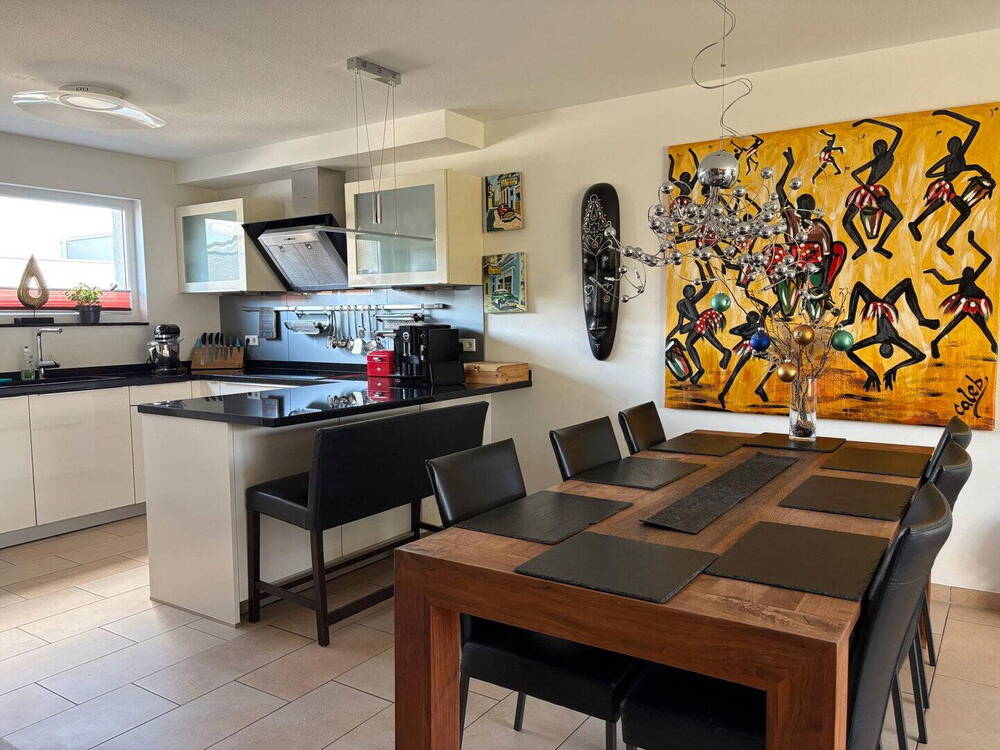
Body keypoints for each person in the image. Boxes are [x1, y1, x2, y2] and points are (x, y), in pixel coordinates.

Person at [908, 109, 993, 255]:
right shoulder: (950, 157)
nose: (956, 146)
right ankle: (926, 231)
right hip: (943, 185)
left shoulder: (960, 156)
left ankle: (926, 230)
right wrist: (947, 173)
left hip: (947, 186)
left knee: (954, 208)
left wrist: (948, 113)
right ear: (949, 148)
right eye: (952, 145)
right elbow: (929, 173)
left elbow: (975, 127)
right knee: (959, 209)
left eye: (957, 143)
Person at [839, 278, 939, 391]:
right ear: (891, 348)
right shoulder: (895, 339)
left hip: (877, 306)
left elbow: (849, 351)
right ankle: (921, 319)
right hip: (886, 305)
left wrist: (870, 371)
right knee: (906, 283)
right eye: (889, 352)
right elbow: (919, 356)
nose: (886, 350)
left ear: (881, 348)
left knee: (859, 286)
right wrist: (895, 368)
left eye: (884, 352)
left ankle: (850, 319)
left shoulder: (877, 338)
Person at [924, 230, 997, 358]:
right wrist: (934, 272)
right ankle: (994, 344)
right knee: (973, 325)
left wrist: (973, 243)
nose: (969, 272)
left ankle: (994, 344)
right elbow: (945, 281)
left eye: (970, 272)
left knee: (969, 324)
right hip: (968, 304)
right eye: (967, 272)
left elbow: (988, 259)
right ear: (965, 274)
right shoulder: (964, 280)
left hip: (975, 303)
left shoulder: (971, 278)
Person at [842, 118, 904, 259]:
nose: (877, 150)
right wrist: (866, 188)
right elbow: (854, 173)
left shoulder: (888, 156)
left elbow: (899, 132)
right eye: (876, 148)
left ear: (884, 148)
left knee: (897, 216)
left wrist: (870, 120)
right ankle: (862, 246)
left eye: (879, 147)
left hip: (872, 192)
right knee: (846, 221)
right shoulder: (877, 159)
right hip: (867, 192)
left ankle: (878, 245)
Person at [664, 264, 731, 385]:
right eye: (690, 290)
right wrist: (668, 336)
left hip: (698, 323)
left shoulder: (685, 303)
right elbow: (679, 324)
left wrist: (702, 267)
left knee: (694, 341)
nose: (690, 292)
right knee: (690, 343)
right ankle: (701, 369)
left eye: (691, 290)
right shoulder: (687, 302)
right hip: (696, 324)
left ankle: (723, 352)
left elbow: (706, 288)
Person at [717, 293, 774, 408]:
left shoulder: (760, 324)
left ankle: (760, 387)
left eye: (753, 317)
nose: (752, 318)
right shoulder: (748, 327)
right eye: (750, 317)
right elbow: (732, 331)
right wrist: (744, 330)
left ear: (756, 318)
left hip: (758, 347)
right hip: (748, 347)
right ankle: (722, 394)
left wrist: (750, 297)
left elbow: (766, 306)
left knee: (776, 362)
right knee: (736, 370)